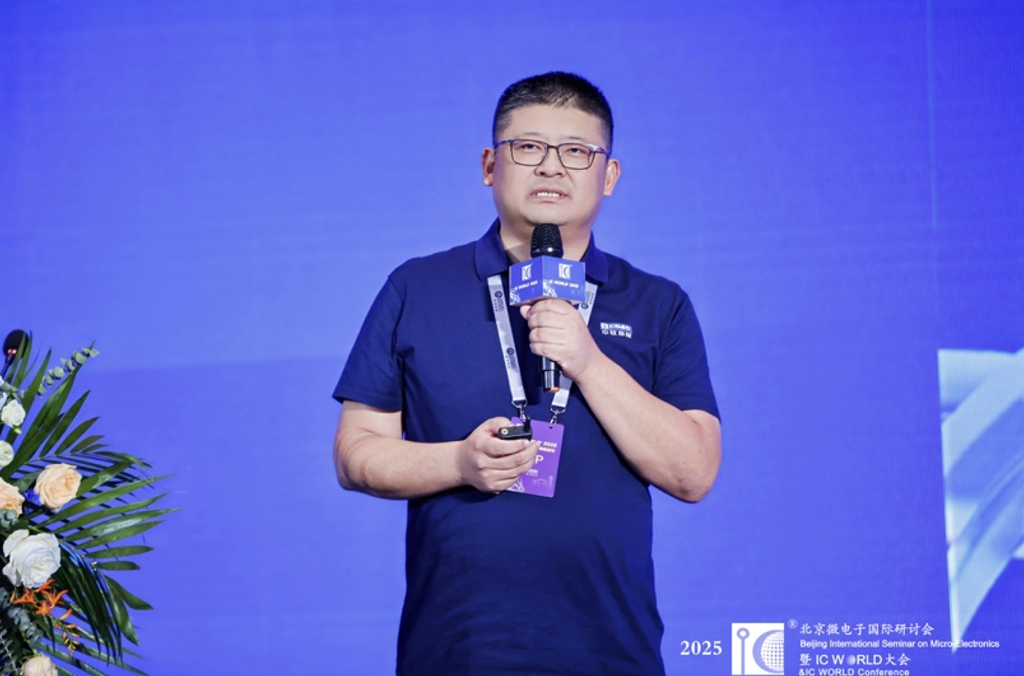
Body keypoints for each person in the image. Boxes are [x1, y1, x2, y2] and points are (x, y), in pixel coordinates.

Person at [333, 71, 721, 676]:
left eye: (576, 152)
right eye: (529, 147)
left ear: (609, 176)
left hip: (611, 653)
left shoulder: (658, 304)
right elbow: (354, 454)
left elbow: (693, 472)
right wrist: (458, 463)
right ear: (491, 165)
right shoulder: (416, 288)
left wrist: (589, 362)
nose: (551, 167)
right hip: (459, 653)